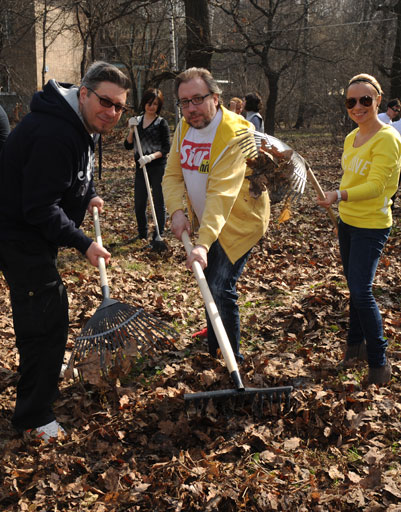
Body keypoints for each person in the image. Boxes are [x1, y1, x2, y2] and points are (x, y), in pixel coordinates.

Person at [0, 61, 130, 442]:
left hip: (33, 234)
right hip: (18, 236)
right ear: (85, 94)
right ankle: (33, 418)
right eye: (105, 102)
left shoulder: (78, 123)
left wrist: (87, 194)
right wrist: (83, 242)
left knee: (46, 315)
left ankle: (39, 377)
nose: (112, 112)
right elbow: (38, 206)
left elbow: (67, 178)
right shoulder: (56, 131)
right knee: (45, 320)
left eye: (120, 107)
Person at [162, 67, 270, 362]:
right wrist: (177, 212)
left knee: (220, 287)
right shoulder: (185, 127)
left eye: (198, 99)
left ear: (216, 97)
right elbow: (171, 174)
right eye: (184, 102)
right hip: (208, 217)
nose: (191, 108)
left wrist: (203, 243)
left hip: (240, 222)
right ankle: (215, 351)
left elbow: (222, 194)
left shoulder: (237, 133)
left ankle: (230, 360)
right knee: (209, 283)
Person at [317, 73, 401, 386]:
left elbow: (378, 187)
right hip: (348, 222)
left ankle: (379, 363)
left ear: (378, 100)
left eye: (365, 100)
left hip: (372, 225)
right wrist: (336, 198)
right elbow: (350, 178)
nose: (358, 106)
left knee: (362, 291)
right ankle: (355, 350)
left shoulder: (388, 138)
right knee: (354, 287)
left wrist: (338, 195)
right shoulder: (351, 138)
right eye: (351, 101)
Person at [124, 88, 170, 240]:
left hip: (157, 167)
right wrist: (131, 130)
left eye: (155, 104)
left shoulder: (161, 123)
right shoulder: (137, 121)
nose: (151, 107)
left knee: (158, 201)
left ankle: (158, 234)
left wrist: (150, 157)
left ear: (159, 106)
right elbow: (128, 145)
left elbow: (166, 148)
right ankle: (142, 234)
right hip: (141, 168)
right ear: (144, 103)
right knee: (139, 203)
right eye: (149, 103)